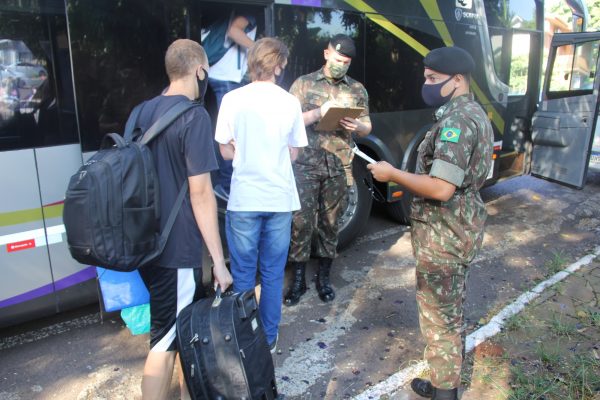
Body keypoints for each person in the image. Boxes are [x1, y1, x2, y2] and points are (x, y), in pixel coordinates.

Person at [367, 46, 493, 400]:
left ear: (457, 80)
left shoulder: (456, 122)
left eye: (433, 79)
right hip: (456, 228)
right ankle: (442, 382)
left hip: (445, 233)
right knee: (449, 312)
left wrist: (392, 173)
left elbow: (440, 187)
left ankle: (444, 394)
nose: (426, 84)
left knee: (441, 320)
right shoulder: (471, 113)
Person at [135, 39, 233, 400]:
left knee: (174, 330)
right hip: (176, 249)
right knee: (163, 339)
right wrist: (219, 264)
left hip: (146, 240)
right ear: (199, 70)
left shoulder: (141, 112)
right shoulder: (194, 116)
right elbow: (202, 194)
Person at [214, 37, 307, 352]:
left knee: (242, 273)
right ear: (278, 65)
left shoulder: (232, 99)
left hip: (244, 200)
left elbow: (225, 150)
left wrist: (242, 150)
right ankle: (268, 338)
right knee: (271, 273)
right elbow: (294, 153)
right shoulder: (290, 102)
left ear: (253, 63)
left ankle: (243, 339)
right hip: (279, 200)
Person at [284, 34, 372, 307]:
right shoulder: (303, 84)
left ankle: (323, 278)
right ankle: (298, 280)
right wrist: (317, 114)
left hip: (338, 164)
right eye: (337, 59)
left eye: (346, 62)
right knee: (300, 223)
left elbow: (367, 125)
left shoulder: (356, 88)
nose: (341, 65)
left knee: (330, 225)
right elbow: (285, 121)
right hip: (306, 165)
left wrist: (356, 126)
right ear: (326, 54)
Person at [207, 11, 257, 199]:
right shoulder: (250, 15)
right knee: (230, 134)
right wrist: (259, 49)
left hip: (219, 73)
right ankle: (227, 185)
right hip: (227, 76)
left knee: (222, 130)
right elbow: (234, 31)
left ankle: (224, 182)